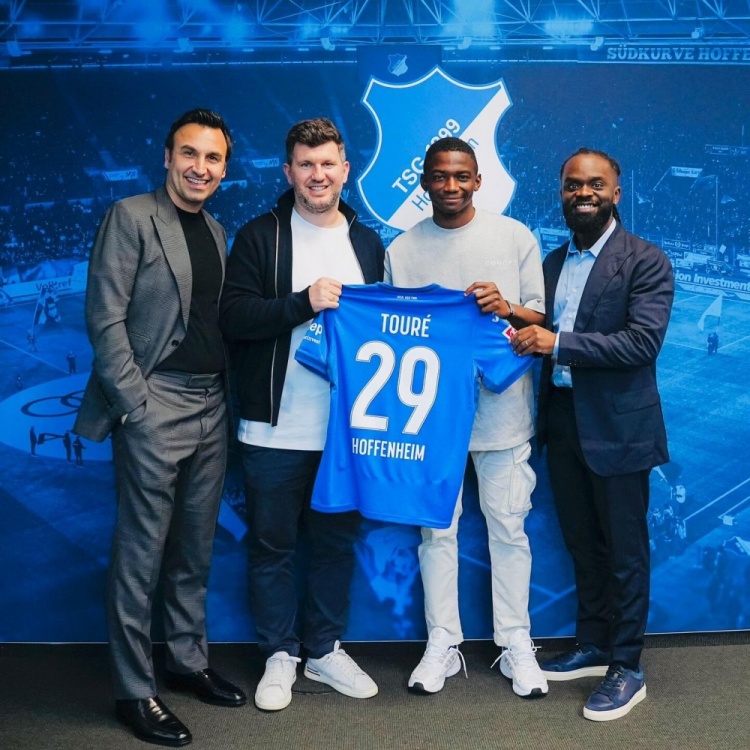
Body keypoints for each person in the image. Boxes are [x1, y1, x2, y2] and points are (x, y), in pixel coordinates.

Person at [73, 109, 246, 747]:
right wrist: (135, 404)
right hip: (156, 404)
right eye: (190, 154)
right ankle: (133, 689)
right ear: (168, 156)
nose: (201, 167)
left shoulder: (219, 230)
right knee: (141, 554)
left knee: (194, 550)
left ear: (224, 168)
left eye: (213, 158)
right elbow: (105, 317)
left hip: (211, 404)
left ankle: (186, 661)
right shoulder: (130, 216)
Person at [220, 118, 385, 711]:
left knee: (335, 546)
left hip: (346, 432)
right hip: (275, 428)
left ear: (345, 169)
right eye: (306, 164)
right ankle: (279, 654)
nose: (318, 175)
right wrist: (301, 303)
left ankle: (323, 649)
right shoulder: (259, 236)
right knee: (273, 547)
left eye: (328, 163)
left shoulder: (368, 243)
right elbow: (233, 318)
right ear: (289, 171)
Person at [512, 147, 674, 721]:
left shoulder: (645, 260)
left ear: (616, 193)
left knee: (625, 553)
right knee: (582, 544)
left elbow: (641, 343)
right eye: (573, 185)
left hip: (619, 430)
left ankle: (627, 666)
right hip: (563, 422)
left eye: (595, 184)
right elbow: (541, 325)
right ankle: (594, 643)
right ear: (561, 192)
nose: (583, 193)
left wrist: (556, 343)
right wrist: (507, 311)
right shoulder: (554, 261)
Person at [385, 137, 548, 699]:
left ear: (478, 180)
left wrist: (506, 307)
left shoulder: (515, 236)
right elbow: (396, 335)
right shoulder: (402, 249)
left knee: (509, 530)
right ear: (424, 181)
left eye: (461, 175)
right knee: (436, 533)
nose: (450, 185)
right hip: (431, 422)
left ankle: (516, 641)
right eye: (439, 175)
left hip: (503, 416)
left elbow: (539, 320)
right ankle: (443, 642)